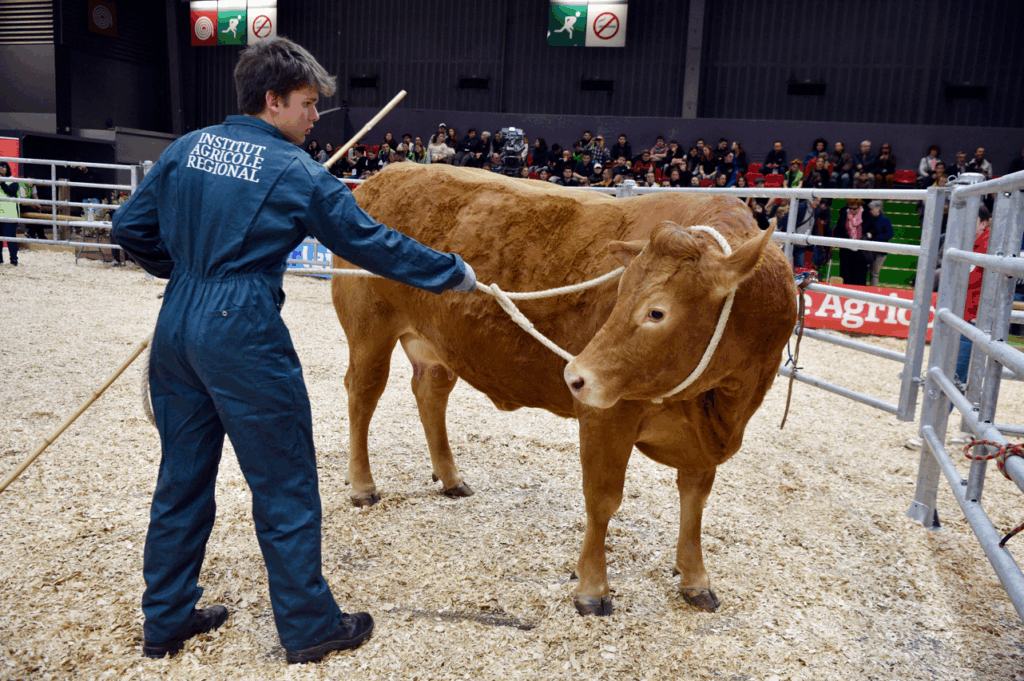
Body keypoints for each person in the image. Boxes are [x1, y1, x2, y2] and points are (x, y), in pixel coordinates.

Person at [110, 37, 477, 666]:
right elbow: (373, 245)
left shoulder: (186, 148)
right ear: (273, 100)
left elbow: (128, 228)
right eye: (308, 105)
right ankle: (309, 626)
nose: (314, 118)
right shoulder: (297, 173)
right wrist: (450, 271)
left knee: (181, 478)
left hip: (179, 323)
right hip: (242, 331)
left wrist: (190, 274)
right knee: (284, 482)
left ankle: (164, 620)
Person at [833, 198, 868, 285]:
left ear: (859, 207)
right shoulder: (843, 214)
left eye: (854, 208)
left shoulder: (866, 215)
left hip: (861, 249)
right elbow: (839, 229)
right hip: (846, 247)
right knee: (846, 273)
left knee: (859, 274)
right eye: (850, 208)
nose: (852, 210)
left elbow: (871, 228)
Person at [864, 200, 894, 286]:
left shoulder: (885, 220)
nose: (870, 211)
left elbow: (890, 234)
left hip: (880, 250)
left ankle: (873, 291)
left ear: (878, 209)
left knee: (874, 273)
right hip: (870, 249)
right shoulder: (870, 219)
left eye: (872, 209)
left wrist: (874, 237)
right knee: (871, 272)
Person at [0, 161, 19, 266]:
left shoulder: (13, 181)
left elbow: (11, 193)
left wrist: (2, 182)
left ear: (7, 168)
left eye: (3, 166)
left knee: (10, 238)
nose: (1, 169)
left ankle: (13, 259)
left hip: (9, 214)